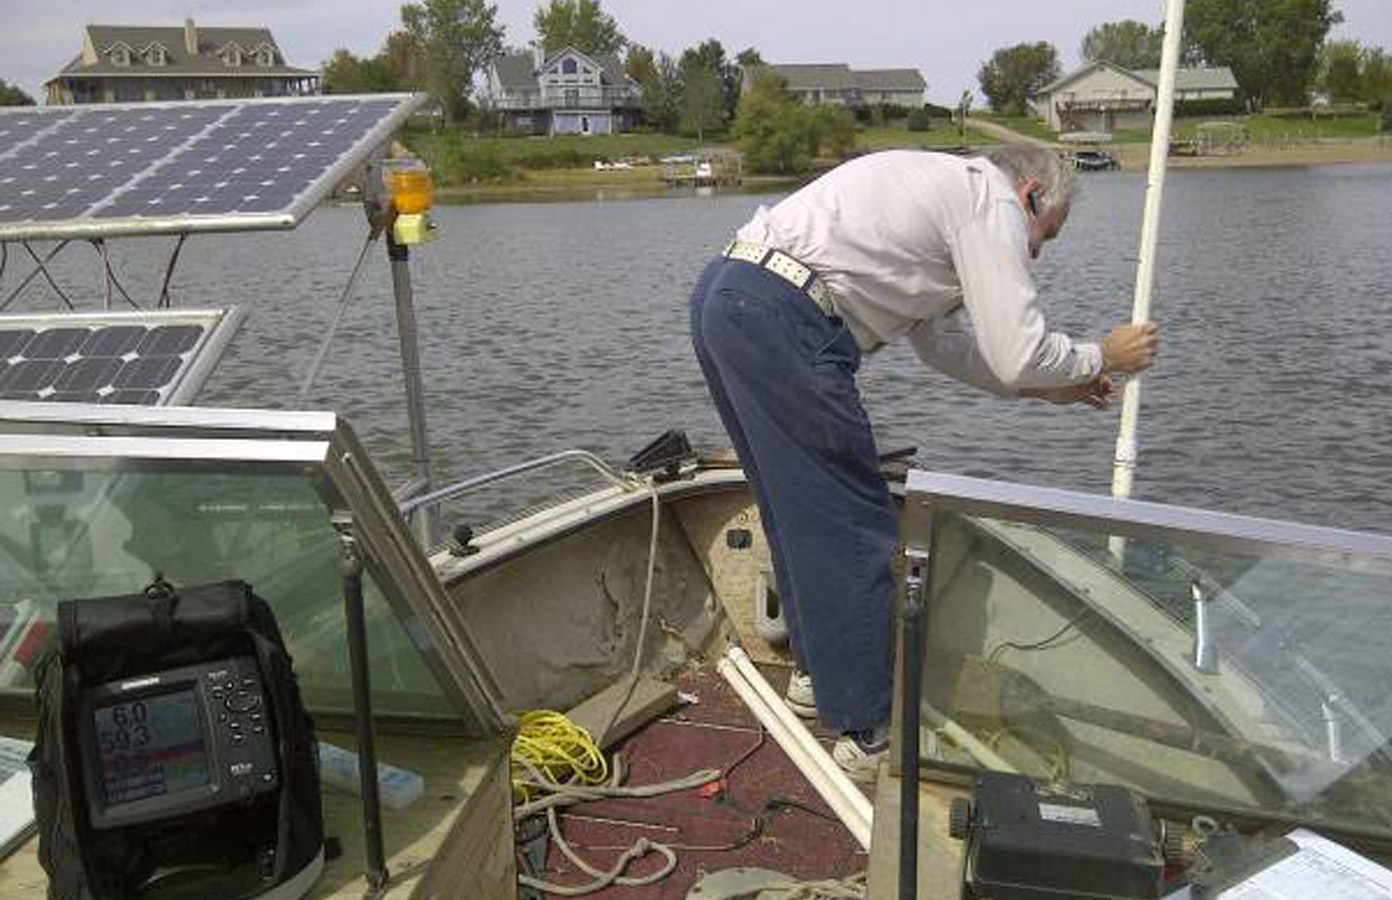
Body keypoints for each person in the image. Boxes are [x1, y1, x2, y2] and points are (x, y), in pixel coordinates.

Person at [688, 145, 1158, 781]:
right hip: (783, 318)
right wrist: (1102, 355)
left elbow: (946, 346)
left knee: (794, 509)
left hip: (730, 296)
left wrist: (1046, 389)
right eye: (1046, 234)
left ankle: (816, 676)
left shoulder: (942, 196)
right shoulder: (988, 197)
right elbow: (1018, 350)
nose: (1037, 254)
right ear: (1031, 195)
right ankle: (869, 731)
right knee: (852, 527)